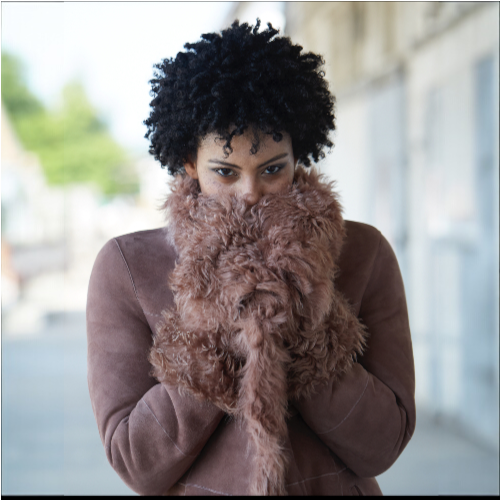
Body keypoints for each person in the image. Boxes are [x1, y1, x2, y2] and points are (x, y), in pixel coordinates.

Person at [86, 19, 415, 496]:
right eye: (225, 171)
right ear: (190, 163)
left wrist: (304, 328)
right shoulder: (128, 266)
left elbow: (382, 445)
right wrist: (217, 330)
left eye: (272, 168)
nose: (250, 192)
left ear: (298, 155)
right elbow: (136, 462)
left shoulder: (364, 252)